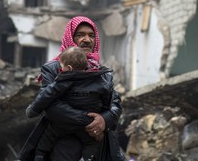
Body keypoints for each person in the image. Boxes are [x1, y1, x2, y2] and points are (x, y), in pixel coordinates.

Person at [18, 16, 125, 161]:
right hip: (64, 143)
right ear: (70, 38)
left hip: (98, 142)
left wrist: (104, 120)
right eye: (80, 35)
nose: (87, 39)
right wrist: (90, 122)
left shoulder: (102, 72)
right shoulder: (53, 69)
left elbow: (115, 103)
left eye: (91, 35)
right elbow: (51, 106)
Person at [26, 46, 114, 161]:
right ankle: (87, 158)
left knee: (46, 137)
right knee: (92, 143)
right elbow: (108, 99)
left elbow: (46, 96)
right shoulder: (99, 78)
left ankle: (39, 155)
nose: (60, 70)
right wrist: (100, 116)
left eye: (61, 68)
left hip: (62, 124)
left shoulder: (63, 80)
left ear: (69, 68)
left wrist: (33, 110)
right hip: (87, 126)